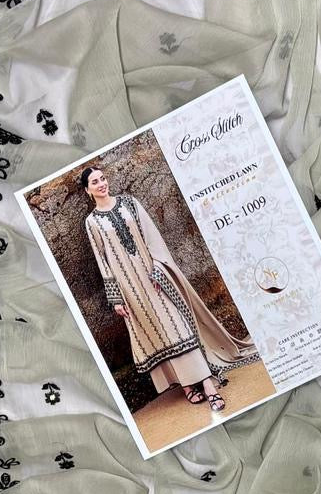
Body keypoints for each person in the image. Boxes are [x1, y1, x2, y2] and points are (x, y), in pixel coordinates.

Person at [80, 164, 258, 411]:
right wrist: (116, 298)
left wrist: (158, 268)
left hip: (155, 277)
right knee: (158, 333)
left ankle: (208, 385)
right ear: (88, 190)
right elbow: (102, 260)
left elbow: (152, 236)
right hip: (130, 289)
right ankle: (186, 386)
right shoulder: (91, 222)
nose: (102, 184)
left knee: (177, 326)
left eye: (103, 178)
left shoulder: (129, 203)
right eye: (95, 182)